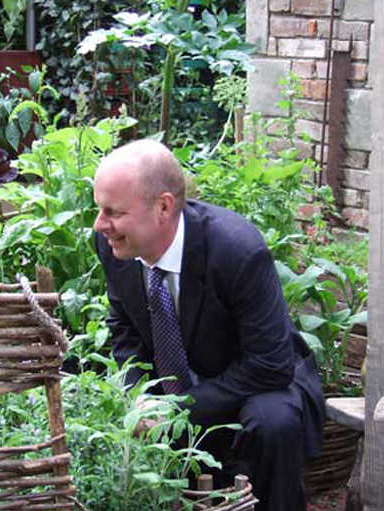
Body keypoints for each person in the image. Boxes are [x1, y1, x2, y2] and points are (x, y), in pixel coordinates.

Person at [91, 139, 325, 511]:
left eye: (112, 211)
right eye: (99, 209)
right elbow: (123, 328)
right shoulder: (114, 246)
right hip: (180, 382)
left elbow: (271, 365)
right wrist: (139, 398)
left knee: (274, 422)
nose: (99, 224)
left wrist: (177, 409)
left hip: (257, 381)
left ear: (163, 207)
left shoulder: (237, 250)